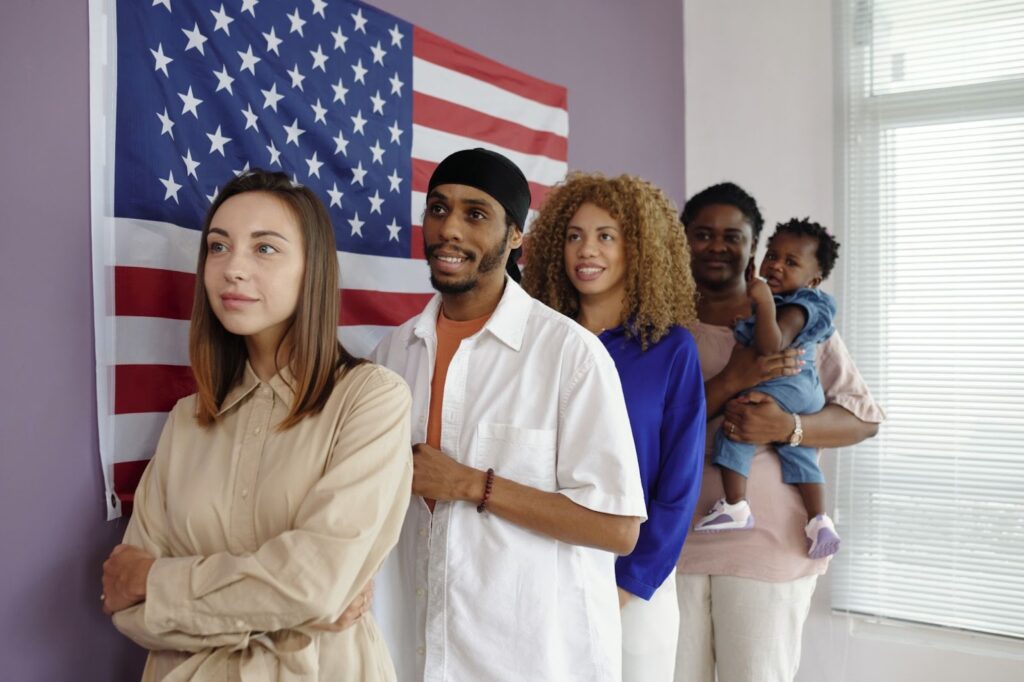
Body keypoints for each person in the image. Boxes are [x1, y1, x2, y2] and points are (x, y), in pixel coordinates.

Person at [100, 170, 413, 681]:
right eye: (218, 247)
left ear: (312, 270)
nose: (232, 269)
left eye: (265, 249)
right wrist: (299, 611)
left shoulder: (371, 400)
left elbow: (314, 585)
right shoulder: (187, 421)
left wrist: (158, 584)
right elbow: (126, 605)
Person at [371, 149, 647, 682]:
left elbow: (619, 530)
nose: (449, 228)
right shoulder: (393, 354)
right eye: (438, 209)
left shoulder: (570, 355)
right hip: (410, 653)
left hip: (530, 660)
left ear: (516, 235)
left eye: (475, 214)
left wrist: (471, 483)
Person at [674, 182, 885, 682]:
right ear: (682, 241)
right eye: (702, 234)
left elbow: (862, 419)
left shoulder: (805, 322)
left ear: (753, 247)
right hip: (673, 540)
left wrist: (789, 427)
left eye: (733, 236)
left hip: (767, 543)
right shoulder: (662, 322)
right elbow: (644, 429)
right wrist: (734, 379)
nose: (717, 246)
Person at [522, 172, 706, 682]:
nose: (587, 250)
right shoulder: (538, 340)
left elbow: (678, 488)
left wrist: (627, 584)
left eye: (606, 235)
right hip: (542, 570)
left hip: (635, 587)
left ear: (639, 248)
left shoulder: (671, 350)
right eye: (575, 235)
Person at [694, 218, 843, 559]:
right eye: (773, 255)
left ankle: (735, 505)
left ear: (814, 280)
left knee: (738, 426)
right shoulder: (789, 303)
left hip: (785, 384)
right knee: (799, 452)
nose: (775, 265)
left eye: (791, 262)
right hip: (802, 391)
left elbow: (771, 347)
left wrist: (762, 303)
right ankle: (819, 520)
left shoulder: (794, 306)